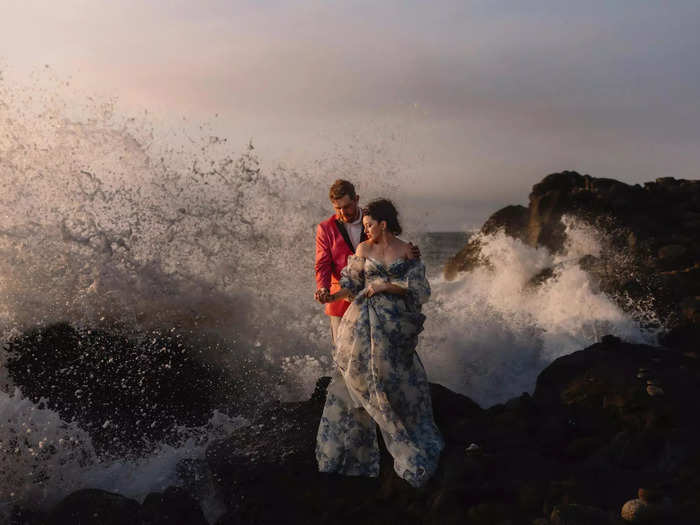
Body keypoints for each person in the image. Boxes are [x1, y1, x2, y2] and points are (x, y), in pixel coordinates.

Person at [315, 198, 444, 487]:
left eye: (369, 225)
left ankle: (402, 430)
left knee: (396, 375)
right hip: (366, 319)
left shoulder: (407, 250)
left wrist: (385, 286)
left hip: (397, 323)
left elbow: (421, 291)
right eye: (363, 225)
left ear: (383, 224)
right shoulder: (363, 249)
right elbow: (350, 284)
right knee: (361, 374)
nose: (366, 230)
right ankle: (363, 442)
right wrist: (330, 296)